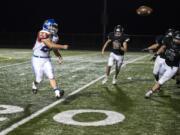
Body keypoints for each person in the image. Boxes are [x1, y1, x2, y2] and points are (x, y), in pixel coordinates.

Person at [31, 19, 68, 99]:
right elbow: (50, 45)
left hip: (46, 59)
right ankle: (34, 84)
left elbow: (54, 48)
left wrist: (58, 56)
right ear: (47, 26)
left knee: (51, 75)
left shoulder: (55, 36)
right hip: (37, 59)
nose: (54, 28)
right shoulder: (42, 33)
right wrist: (63, 46)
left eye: (55, 27)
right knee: (39, 79)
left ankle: (57, 92)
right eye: (53, 27)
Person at [145, 31, 180, 98]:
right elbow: (163, 47)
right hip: (165, 63)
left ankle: (150, 92)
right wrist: (156, 54)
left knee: (161, 81)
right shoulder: (169, 40)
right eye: (175, 38)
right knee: (158, 75)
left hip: (172, 67)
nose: (176, 40)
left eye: (178, 39)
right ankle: (175, 77)